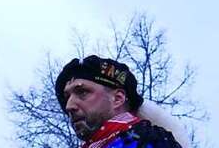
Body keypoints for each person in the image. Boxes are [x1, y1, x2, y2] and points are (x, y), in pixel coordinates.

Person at [56, 56, 185, 148]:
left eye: (82, 92)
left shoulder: (148, 140)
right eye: (67, 97)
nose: (69, 106)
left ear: (117, 99)